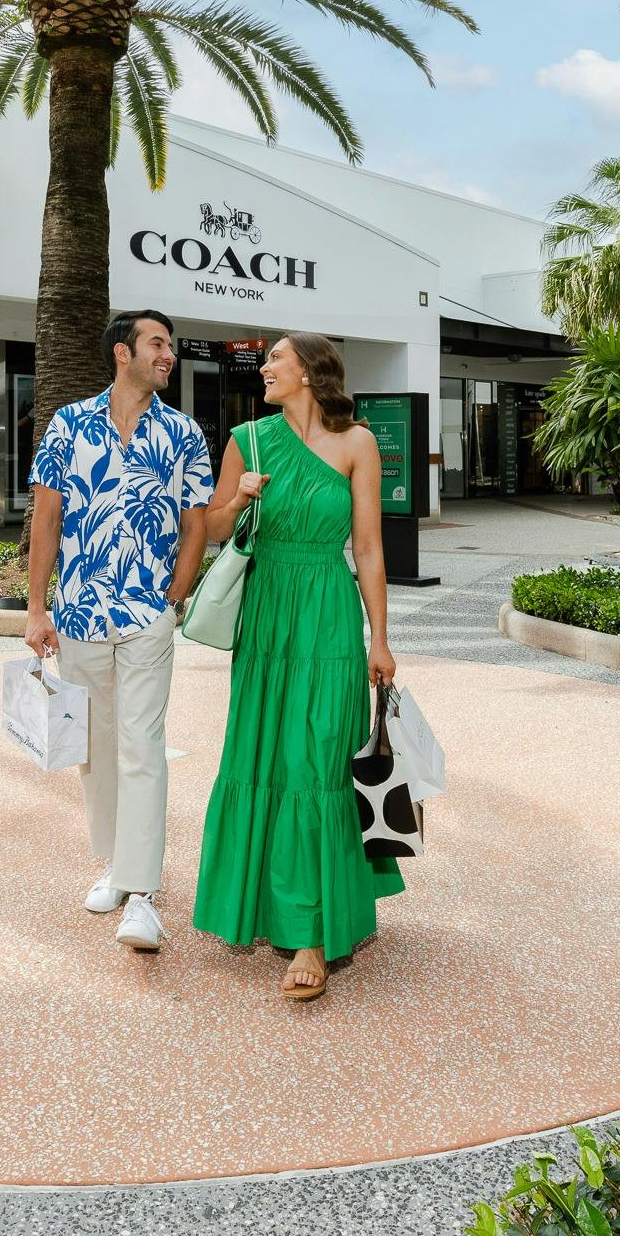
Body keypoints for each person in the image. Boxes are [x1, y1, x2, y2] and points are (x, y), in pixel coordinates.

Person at [189, 331, 400, 1001]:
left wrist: (380, 638)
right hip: (267, 618)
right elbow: (212, 529)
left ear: (310, 371)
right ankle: (264, 909)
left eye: (276, 358)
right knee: (266, 758)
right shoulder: (247, 441)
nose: (265, 368)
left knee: (318, 761)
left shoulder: (357, 443)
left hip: (330, 615)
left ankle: (310, 933)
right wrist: (239, 500)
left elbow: (368, 548)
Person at [26, 309, 213, 953]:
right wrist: (36, 609)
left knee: (142, 745)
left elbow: (196, 523)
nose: (169, 354)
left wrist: (173, 599)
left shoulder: (183, 433)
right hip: (79, 612)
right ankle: (114, 865)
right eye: (157, 343)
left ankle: (142, 896)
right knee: (95, 748)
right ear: (122, 353)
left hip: (146, 617)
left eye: (171, 346)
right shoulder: (68, 424)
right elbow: (46, 519)